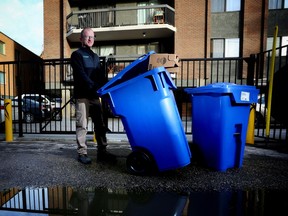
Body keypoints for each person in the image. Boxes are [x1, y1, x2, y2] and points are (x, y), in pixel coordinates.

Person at [70, 27, 116, 164]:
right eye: (87, 36)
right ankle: (82, 153)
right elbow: (80, 74)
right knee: (82, 125)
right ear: (81, 39)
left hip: (95, 96)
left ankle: (102, 151)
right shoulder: (76, 55)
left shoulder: (95, 57)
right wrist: (92, 85)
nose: (90, 39)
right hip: (82, 95)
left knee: (100, 124)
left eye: (92, 37)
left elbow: (100, 76)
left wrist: (107, 86)